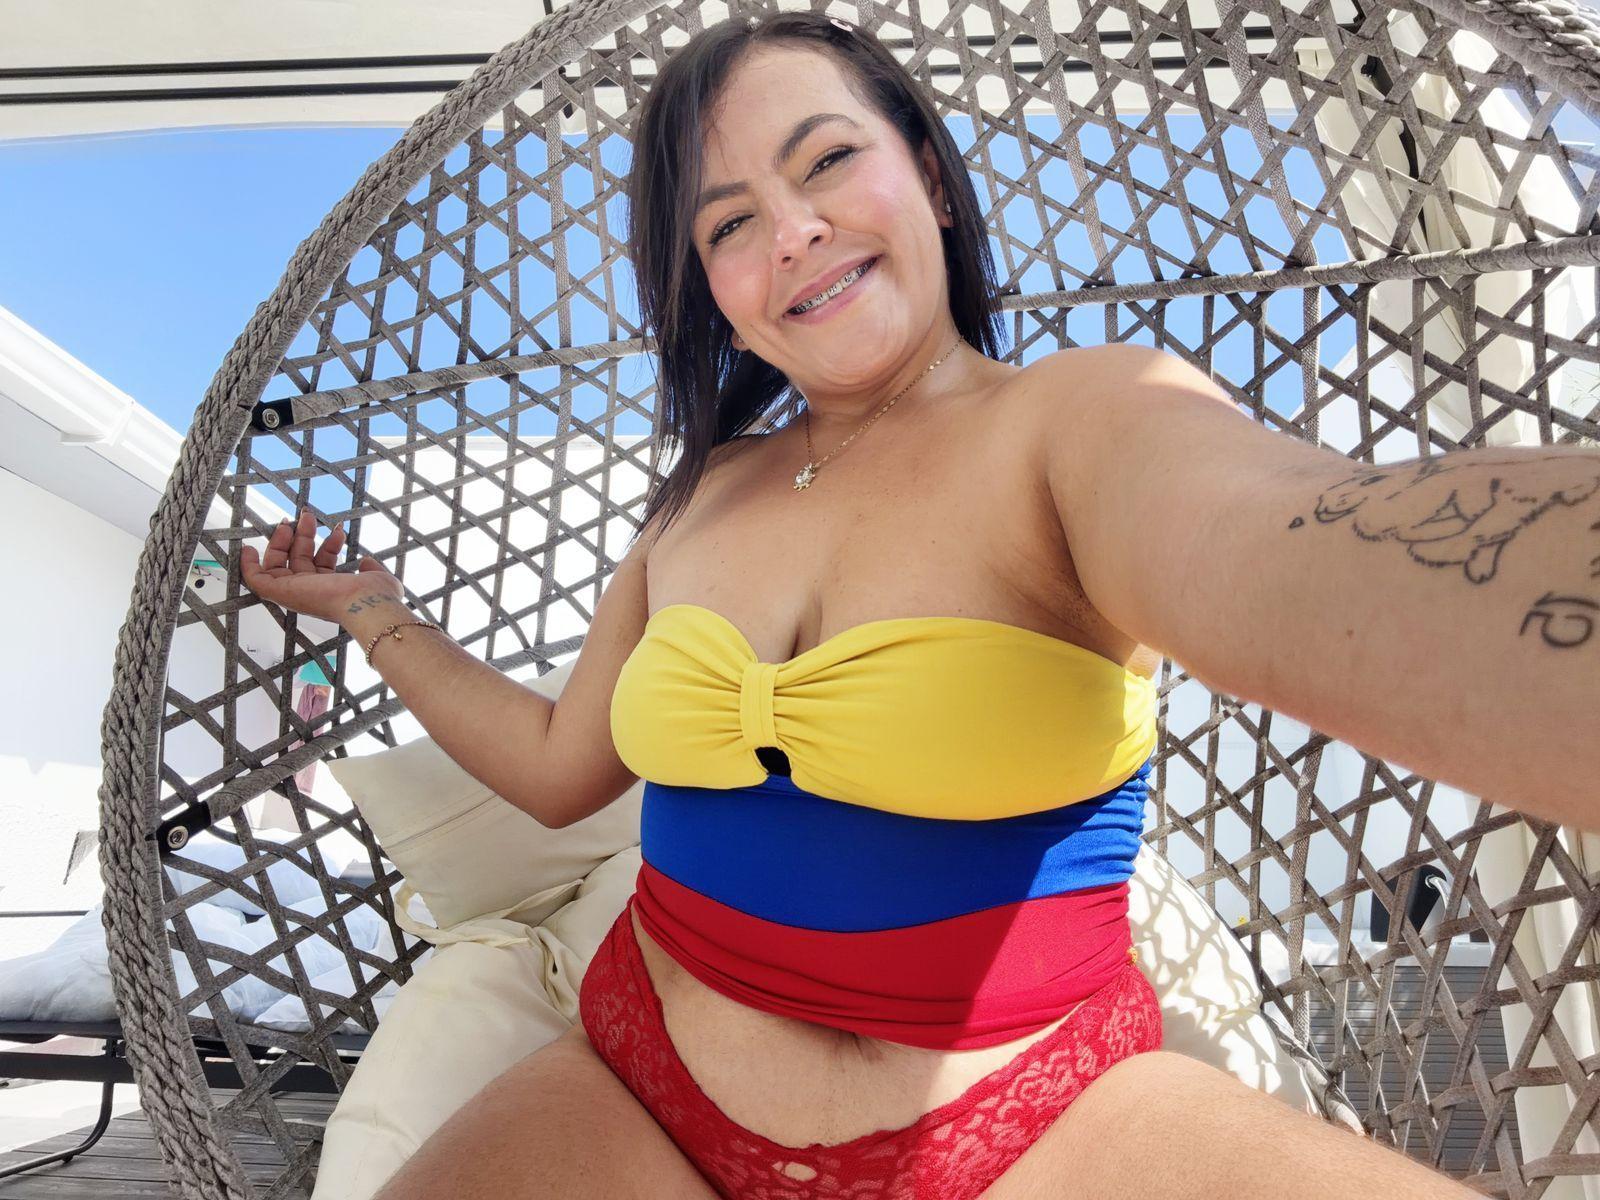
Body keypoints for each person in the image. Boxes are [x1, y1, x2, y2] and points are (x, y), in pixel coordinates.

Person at [241, 11, 1599, 1199]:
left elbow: (1292, 548)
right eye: (728, 223)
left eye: (827, 160)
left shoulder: (1080, 421)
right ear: (713, 293)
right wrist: (370, 611)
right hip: (640, 1083)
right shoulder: (696, 500)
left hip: (1042, 1116)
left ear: (932, 180)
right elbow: (556, 770)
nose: (792, 232)